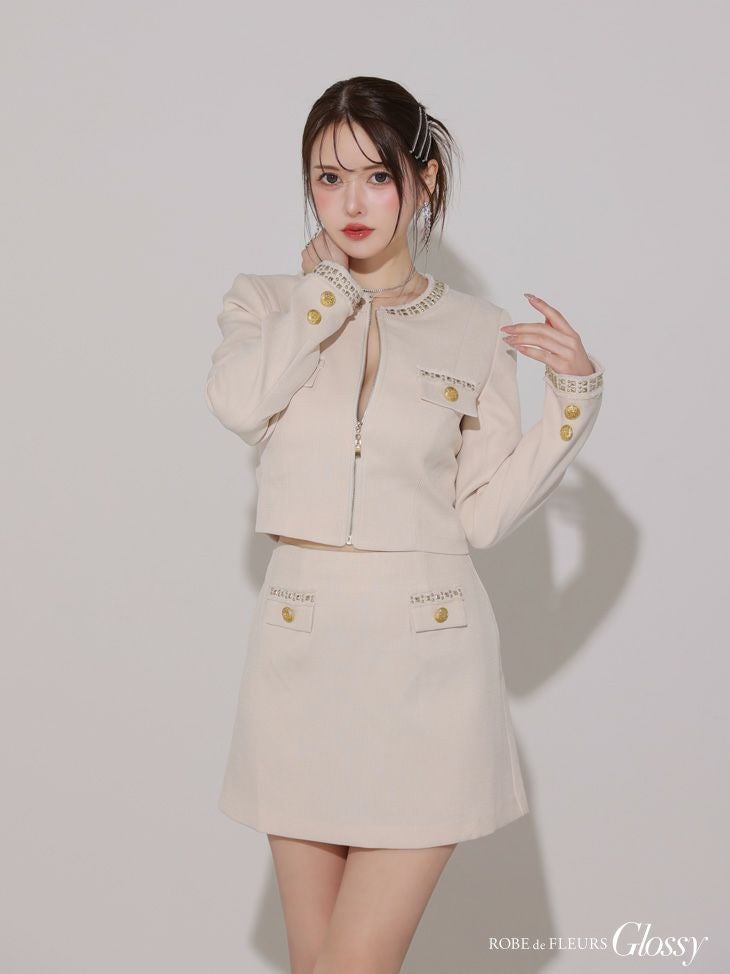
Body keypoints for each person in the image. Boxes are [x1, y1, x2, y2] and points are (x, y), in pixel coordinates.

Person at [205, 76, 605, 974]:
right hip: (300, 659)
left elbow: (482, 515)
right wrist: (325, 294)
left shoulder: (476, 331)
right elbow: (237, 404)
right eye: (328, 178)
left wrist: (572, 403)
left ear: (422, 180)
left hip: (428, 668)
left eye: (376, 177)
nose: (351, 203)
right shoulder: (267, 303)